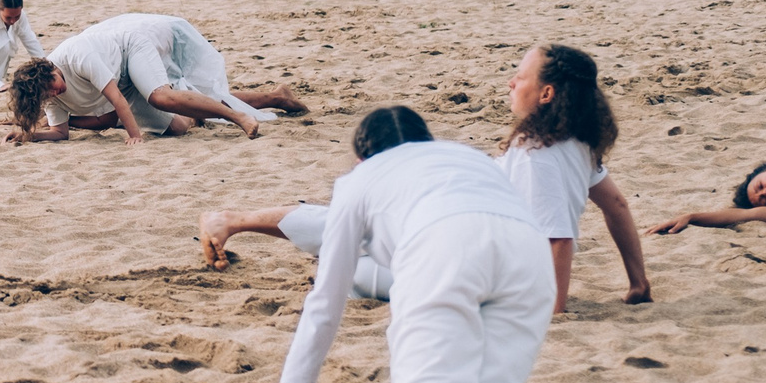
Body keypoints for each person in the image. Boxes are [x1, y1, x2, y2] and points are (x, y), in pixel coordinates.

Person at [225, 107, 556, 383]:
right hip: (529, 253)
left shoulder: (359, 180)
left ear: (362, 157)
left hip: (442, 244)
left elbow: (328, 292)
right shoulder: (466, 157)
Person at [199, 46, 651, 313]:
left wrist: (552, 310)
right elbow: (616, 205)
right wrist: (638, 282)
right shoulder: (575, 143)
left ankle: (231, 220)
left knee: (349, 247)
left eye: (521, 76)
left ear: (547, 93)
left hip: (450, 244)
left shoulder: (539, 156)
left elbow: (558, 239)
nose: (511, 83)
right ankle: (232, 221)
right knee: (348, 229)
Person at [0, 14, 302, 144]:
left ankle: (239, 117)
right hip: (124, 87)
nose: (55, 93)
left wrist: (135, 136)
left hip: (130, 52)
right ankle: (276, 96)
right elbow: (62, 132)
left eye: (51, 85)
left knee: (160, 96)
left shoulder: (76, 55)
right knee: (180, 126)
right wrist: (29, 134)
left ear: (50, 69)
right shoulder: (49, 96)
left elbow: (116, 101)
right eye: (47, 95)